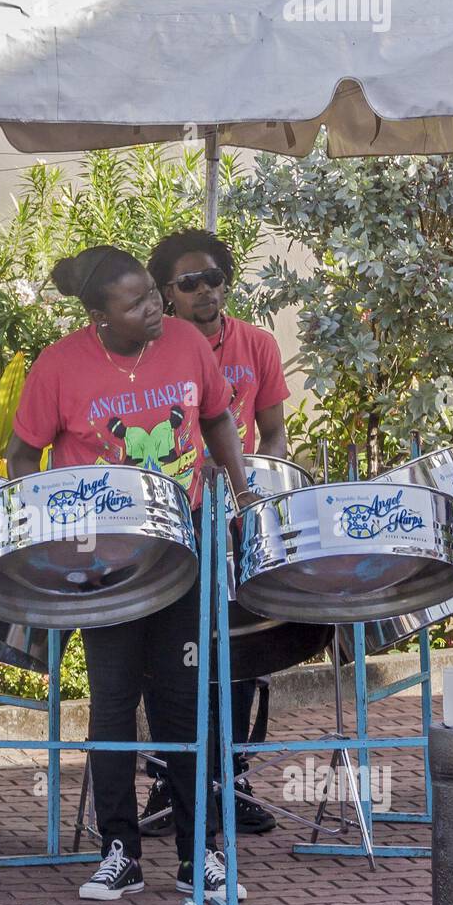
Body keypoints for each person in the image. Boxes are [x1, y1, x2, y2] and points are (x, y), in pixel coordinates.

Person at [8, 246, 261, 903]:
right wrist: (46, 529)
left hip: (181, 549)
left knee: (183, 700)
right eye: (137, 302)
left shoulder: (184, 343)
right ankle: (119, 849)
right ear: (99, 314)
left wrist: (244, 491)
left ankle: (198, 850)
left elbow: (216, 418)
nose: (155, 308)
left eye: (154, 294)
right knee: (115, 703)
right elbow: (19, 456)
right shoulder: (59, 366)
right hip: (103, 564)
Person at [147, 229, 292, 836]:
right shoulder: (155, 351)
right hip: (174, 514)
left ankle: (230, 777)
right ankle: (168, 781)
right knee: (173, 650)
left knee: (239, 648)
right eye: (189, 283)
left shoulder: (257, 345)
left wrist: (257, 489)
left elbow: (274, 434)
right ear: (166, 294)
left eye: (214, 279)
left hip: (237, 516)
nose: (205, 292)